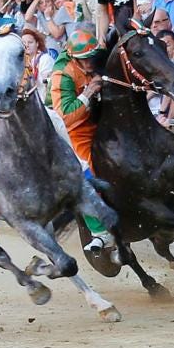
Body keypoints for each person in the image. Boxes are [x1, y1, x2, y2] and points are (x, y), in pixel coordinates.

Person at [47, 26, 115, 255]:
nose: (89, 63)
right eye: (84, 59)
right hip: (73, 131)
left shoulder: (95, 58)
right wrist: (89, 92)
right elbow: (65, 116)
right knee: (86, 174)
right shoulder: (62, 74)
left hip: (100, 122)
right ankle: (99, 232)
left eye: (92, 57)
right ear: (74, 58)